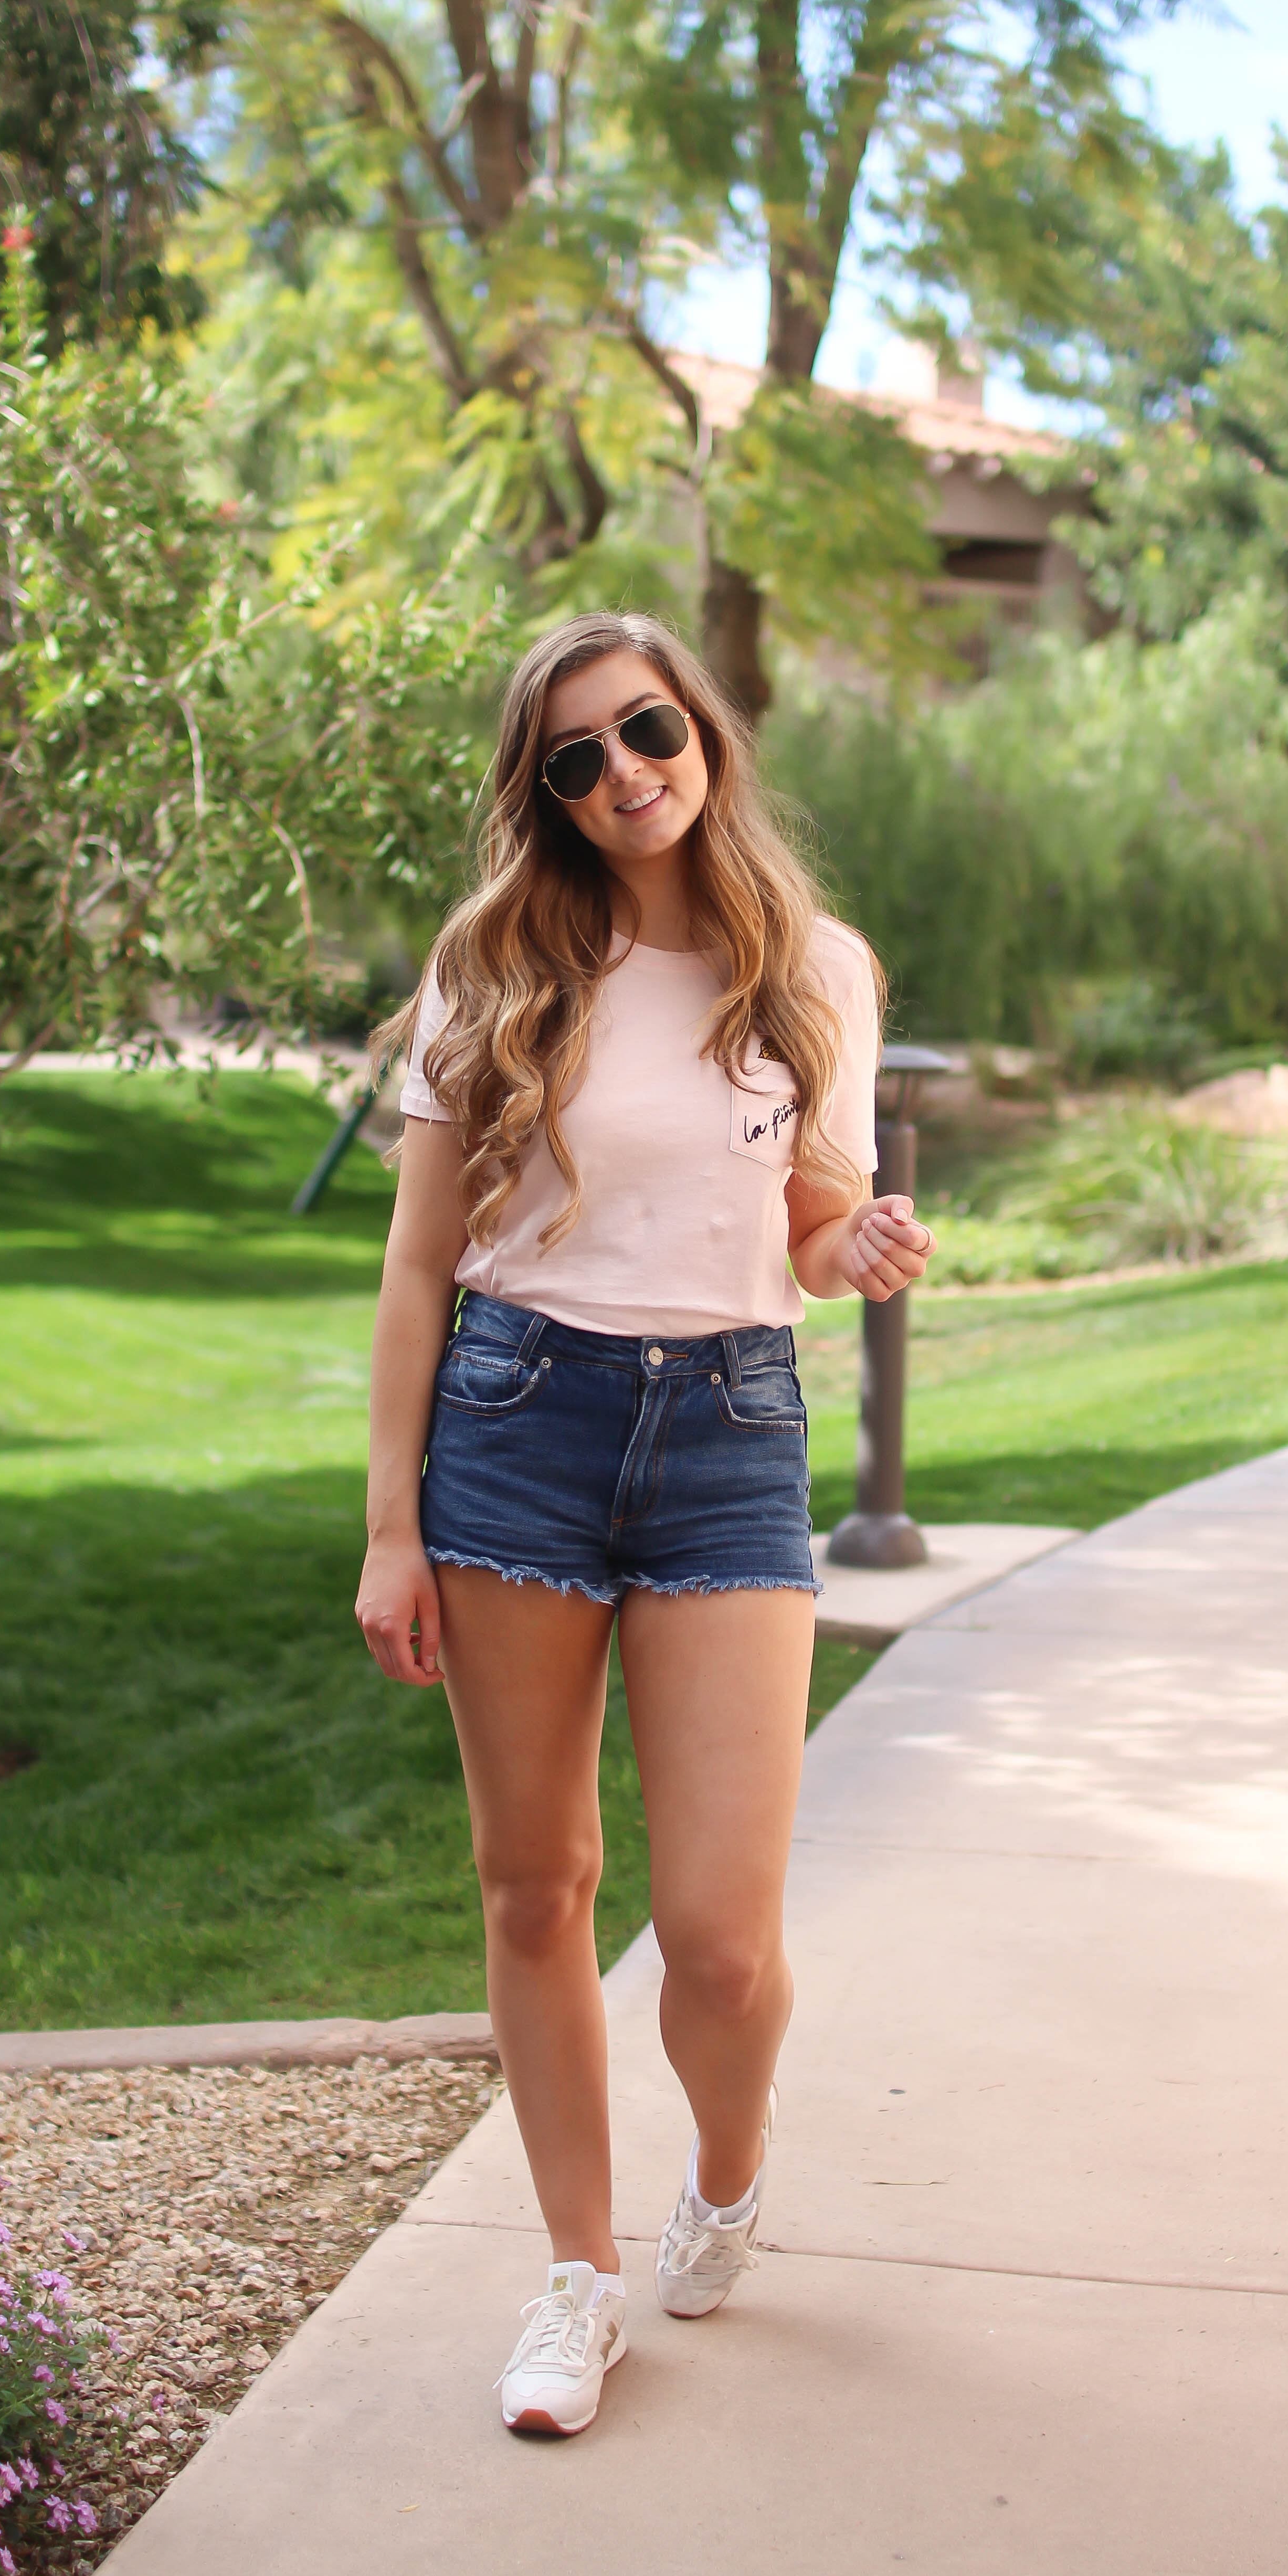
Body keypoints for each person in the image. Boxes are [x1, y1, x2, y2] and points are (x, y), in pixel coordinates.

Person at [355, 611, 935, 2437]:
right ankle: (573, 2279)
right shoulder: (498, 960)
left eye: (648, 731)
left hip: (730, 1435)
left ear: (705, 730)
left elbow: (813, 1217)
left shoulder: (815, 966)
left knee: (721, 1937)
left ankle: (730, 2172)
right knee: (537, 1888)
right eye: (576, 760)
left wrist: (864, 1249)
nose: (624, 776)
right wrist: (391, 1525)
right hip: (517, 1425)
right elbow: (421, 1262)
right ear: (543, 792)